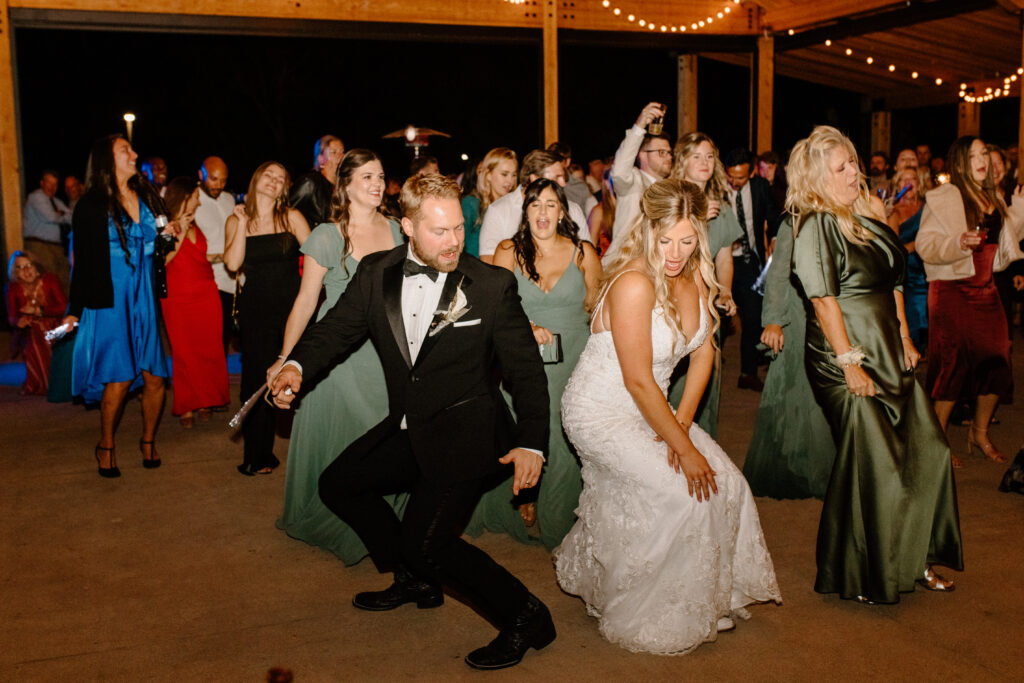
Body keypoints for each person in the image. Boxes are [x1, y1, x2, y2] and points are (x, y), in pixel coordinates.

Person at [270, 174, 554, 671]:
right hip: (409, 424)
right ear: (408, 226)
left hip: (469, 433)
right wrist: (296, 364)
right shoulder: (377, 274)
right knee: (340, 484)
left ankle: (526, 615)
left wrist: (533, 441)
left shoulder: (490, 285)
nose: (453, 242)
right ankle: (414, 580)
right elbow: (335, 329)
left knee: (429, 545)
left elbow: (526, 371)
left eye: (458, 229)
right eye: (438, 231)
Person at [553, 178, 781, 654]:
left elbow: (702, 357)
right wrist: (684, 449)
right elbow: (637, 379)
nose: (676, 253)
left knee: (728, 482)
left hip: (652, 408)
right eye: (665, 241)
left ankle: (706, 597)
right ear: (647, 231)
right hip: (602, 411)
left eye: (688, 240)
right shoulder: (634, 283)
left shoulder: (695, 275)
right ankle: (656, 607)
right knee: (684, 494)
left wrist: (682, 425)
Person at [789, 125, 963, 604]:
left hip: (888, 348)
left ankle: (916, 556)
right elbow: (823, 301)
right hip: (844, 354)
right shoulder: (814, 224)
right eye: (841, 167)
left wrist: (905, 335)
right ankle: (864, 572)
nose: (854, 172)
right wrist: (849, 365)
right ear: (817, 177)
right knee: (877, 462)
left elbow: (895, 280)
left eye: (853, 162)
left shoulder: (865, 211)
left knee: (928, 450)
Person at [268, 149, 407, 563]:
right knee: (350, 435)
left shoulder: (400, 230)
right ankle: (345, 523)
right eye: (366, 176)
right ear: (345, 185)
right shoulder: (328, 235)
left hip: (388, 350)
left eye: (380, 175)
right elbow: (306, 302)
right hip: (341, 355)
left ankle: (386, 521)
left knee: (386, 438)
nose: (377, 183)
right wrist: (286, 358)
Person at [467, 178, 601, 549]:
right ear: (525, 212)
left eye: (550, 205)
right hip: (521, 355)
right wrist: (525, 326)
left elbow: (598, 309)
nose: (543, 212)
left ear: (564, 212)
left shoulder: (583, 252)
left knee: (562, 435)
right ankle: (519, 499)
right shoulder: (508, 250)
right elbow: (494, 306)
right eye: (535, 205)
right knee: (517, 430)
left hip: (574, 356)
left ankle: (557, 518)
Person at [63, 134, 171, 477]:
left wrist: (170, 236)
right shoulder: (92, 204)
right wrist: (74, 309)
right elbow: (81, 263)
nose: (135, 154)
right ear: (107, 160)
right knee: (120, 379)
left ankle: (148, 440)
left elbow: (158, 244)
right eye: (126, 150)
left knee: (155, 378)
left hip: (144, 297)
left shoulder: (148, 197)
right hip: (111, 300)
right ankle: (106, 444)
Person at [917, 136, 1024, 467]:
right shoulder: (945, 197)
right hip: (952, 291)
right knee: (951, 368)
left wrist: (1018, 213)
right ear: (960, 162)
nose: (983, 160)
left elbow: (1005, 249)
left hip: (986, 290)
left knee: (998, 363)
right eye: (974, 155)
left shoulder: (994, 198)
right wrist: (957, 241)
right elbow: (925, 244)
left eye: (985, 154)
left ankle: (979, 433)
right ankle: (937, 442)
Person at [742, 210, 836, 500]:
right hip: (799, 314)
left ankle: (837, 471)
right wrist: (773, 319)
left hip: (842, 312)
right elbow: (778, 273)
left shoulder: (850, 211)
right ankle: (804, 470)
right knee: (799, 393)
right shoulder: (793, 220)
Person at [224, 162, 310, 476]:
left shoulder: (292, 217)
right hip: (256, 311)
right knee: (257, 381)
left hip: (293, 310)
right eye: (268, 175)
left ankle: (314, 446)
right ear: (256, 179)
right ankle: (257, 455)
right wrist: (241, 223)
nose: (274, 181)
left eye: (280, 178)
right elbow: (233, 264)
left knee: (296, 375)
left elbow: (316, 256)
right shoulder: (237, 219)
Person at [665, 132, 741, 438]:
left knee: (707, 380)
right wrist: (695, 213)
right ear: (682, 160)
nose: (704, 163)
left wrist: (725, 290)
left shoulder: (722, 205)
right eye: (696, 156)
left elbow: (724, 259)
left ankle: (699, 448)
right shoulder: (666, 197)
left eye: (710, 156)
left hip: (707, 305)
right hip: (672, 301)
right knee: (674, 382)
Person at [159, 177, 230, 427]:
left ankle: (206, 400)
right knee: (184, 352)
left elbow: (197, 255)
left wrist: (222, 256)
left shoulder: (195, 223)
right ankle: (186, 405)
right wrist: (178, 229)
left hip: (206, 292)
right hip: (178, 297)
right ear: (186, 196)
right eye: (196, 196)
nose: (199, 201)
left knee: (208, 349)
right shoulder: (164, 224)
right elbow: (164, 261)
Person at [724, 147, 780, 391]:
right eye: (731, 176)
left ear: (752, 173)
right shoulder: (716, 189)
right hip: (722, 259)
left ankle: (748, 373)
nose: (735, 182)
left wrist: (775, 237)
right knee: (719, 317)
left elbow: (773, 216)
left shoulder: (760, 187)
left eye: (741, 177)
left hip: (749, 260)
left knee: (753, 316)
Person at [477, 149, 590, 263]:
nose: (563, 184)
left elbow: (587, 256)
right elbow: (488, 261)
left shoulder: (572, 209)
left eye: (563, 178)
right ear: (534, 179)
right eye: (556, 177)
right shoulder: (499, 210)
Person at [601, 102, 673, 261]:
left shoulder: (670, 188)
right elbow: (619, 172)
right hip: (625, 263)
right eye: (661, 152)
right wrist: (639, 126)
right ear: (642, 154)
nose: (668, 157)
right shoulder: (633, 182)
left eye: (669, 152)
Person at [5, 251, 67, 395]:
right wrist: (19, 321)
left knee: (42, 329)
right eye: (20, 268)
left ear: (36, 266)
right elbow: (12, 318)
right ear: (15, 273)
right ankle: (43, 382)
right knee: (36, 330)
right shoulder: (12, 288)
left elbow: (64, 307)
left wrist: (39, 311)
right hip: (30, 330)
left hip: (57, 324)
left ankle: (55, 380)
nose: (26, 271)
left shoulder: (50, 280)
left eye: (29, 265)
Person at [194, 156, 237, 354]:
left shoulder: (229, 199)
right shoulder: (193, 200)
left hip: (233, 282)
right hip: (207, 282)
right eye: (214, 179)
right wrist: (223, 256)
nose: (219, 185)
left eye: (223, 180)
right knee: (208, 342)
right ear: (201, 174)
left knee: (225, 339)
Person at [890, 167, 929, 348]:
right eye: (903, 180)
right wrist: (916, 244)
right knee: (913, 319)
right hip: (908, 273)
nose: (908, 183)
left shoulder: (927, 206)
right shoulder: (893, 211)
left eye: (912, 178)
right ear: (897, 185)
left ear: (919, 183)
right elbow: (893, 250)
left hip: (929, 267)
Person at [461, 147, 517, 257]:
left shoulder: (513, 207)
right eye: (504, 174)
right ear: (488, 174)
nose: (510, 181)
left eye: (514, 175)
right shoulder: (471, 204)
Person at [23, 170, 72, 293]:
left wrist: (61, 214)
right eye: (49, 183)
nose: (52, 187)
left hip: (56, 247)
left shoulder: (57, 201)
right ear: (42, 183)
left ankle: (67, 310)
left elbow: (72, 217)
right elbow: (51, 217)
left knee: (65, 279)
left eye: (55, 184)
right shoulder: (36, 197)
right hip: (39, 245)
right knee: (47, 281)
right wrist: (62, 215)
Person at [290, 134, 345, 228]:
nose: (341, 156)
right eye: (334, 152)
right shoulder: (309, 183)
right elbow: (288, 214)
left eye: (342, 152)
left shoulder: (344, 186)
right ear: (320, 158)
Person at [587, 171, 616, 254]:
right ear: (607, 183)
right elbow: (590, 247)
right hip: (606, 264)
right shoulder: (599, 211)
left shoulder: (630, 207)